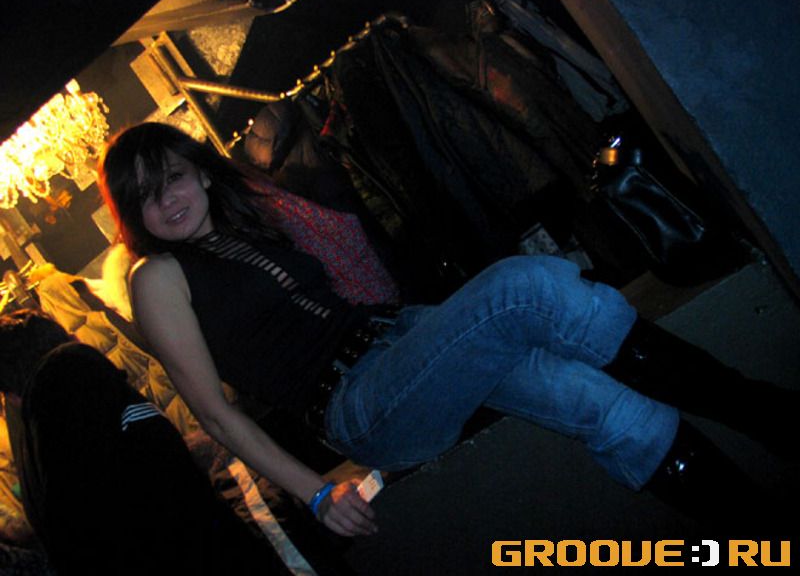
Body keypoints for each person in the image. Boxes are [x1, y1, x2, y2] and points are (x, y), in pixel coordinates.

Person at [98, 121, 794, 537]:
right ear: (133, 214)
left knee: (608, 407)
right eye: (146, 196)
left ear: (202, 175)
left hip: (399, 341)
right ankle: (763, 411)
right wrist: (315, 492)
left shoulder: (245, 225)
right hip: (357, 403)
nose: (167, 200)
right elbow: (215, 415)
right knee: (525, 286)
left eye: (174, 178)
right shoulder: (155, 276)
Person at [0, 309, 290, 574]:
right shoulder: (87, 381)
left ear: (12, 398)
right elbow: (173, 487)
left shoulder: (35, 472)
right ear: (73, 339)